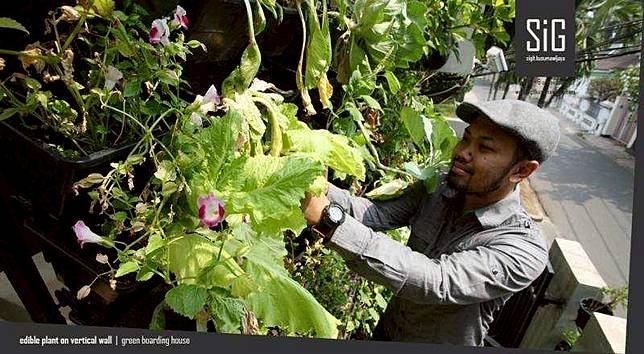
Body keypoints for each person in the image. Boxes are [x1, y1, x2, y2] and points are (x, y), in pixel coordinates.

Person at [300, 99, 560, 346]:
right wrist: (310, 183)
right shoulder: (441, 188)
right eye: (466, 138)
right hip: (387, 333)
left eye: (485, 148)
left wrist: (331, 222)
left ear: (521, 171)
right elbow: (375, 213)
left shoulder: (522, 249)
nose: (462, 153)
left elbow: (436, 281)